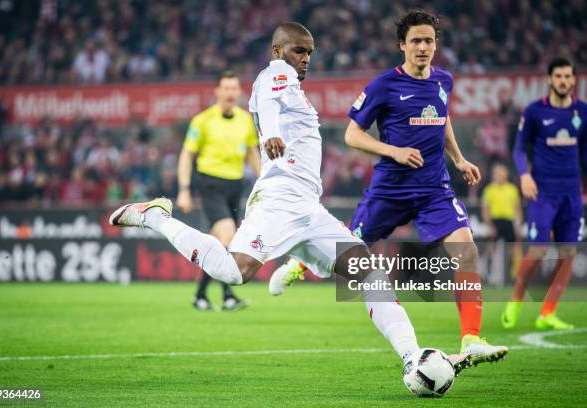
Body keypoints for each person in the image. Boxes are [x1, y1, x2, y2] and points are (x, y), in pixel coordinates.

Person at [109, 22, 470, 375]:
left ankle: (412, 359)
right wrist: (274, 135)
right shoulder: (274, 74)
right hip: (279, 201)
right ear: (278, 50)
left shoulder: (295, 90)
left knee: (370, 273)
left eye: (309, 53)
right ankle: (155, 216)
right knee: (234, 272)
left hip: (308, 209)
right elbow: (267, 103)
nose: (305, 59)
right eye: (299, 50)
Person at [270, 9, 508, 366]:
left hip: (434, 189)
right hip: (390, 190)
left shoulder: (444, 80)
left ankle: (471, 339)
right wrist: (393, 150)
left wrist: (458, 158)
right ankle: (300, 264)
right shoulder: (384, 85)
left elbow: (441, 119)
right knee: (349, 245)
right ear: (402, 45)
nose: (423, 47)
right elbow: (352, 134)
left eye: (429, 40)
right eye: (416, 41)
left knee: (467, 250)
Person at [501, 57, 586, 330]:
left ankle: (547, 312)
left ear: (574, 80)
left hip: (572, 193)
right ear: (550, 79)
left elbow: (584, 154)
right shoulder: (536, 111)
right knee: (538, 250)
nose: (564, 81)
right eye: (558, 76)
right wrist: (524, 175)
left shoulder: (582, 112)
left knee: (569, 252)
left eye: (568, 77)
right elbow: (518, 149)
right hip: (542, 191)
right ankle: (515, 300)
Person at [177, 70, 260, 311]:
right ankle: (229, 295)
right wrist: (184, 189)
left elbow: (252, 152)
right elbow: (186, 155)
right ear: (217, 91)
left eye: (234, 88)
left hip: (235, 186)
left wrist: (264, 181)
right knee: (229, 238)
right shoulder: (202, 120)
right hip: (210, 184)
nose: (230, 92)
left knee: (219, 245)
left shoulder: (245, 119)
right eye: (226, 88)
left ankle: (201, 295)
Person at [481, 163, 522, 242]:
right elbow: (485, 210)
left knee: (511, 246)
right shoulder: (489, 190)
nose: (499, 176)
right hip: (494, 220)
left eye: (501, 174)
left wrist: (518, 225)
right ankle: (490, 254)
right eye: (497, 174)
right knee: (491, 245)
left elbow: (517, 208)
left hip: (509, 221)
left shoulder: (512, 189)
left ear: (506, 175)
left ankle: (510, 254)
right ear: (494, 175)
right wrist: (490, 226)